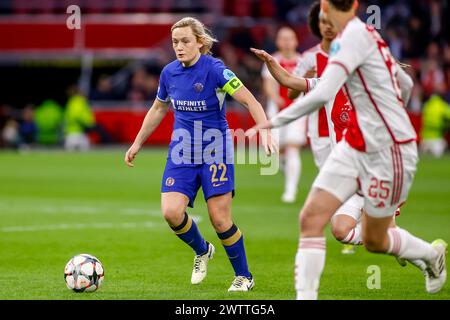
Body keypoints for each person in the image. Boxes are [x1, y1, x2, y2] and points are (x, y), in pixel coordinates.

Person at [247, 0, 447, 299]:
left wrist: (273, 123)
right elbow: (402, 83)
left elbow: (326, 91)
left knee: (377, 240)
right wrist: (274, 67)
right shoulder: (357, 44)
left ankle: (431, 256)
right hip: (353, 149)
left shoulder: (353, 38)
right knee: (315, 220)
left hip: (383, 152)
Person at [124, 17, 276, 292]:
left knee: (220, 219)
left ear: (200, 42)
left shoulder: (216, 70)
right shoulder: (169, 73)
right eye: (175, 42)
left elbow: (250, 100)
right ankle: (202, 250)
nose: (179, 47)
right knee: (171, 213)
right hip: (181, 152)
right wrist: (137, 143)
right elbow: (158, 108)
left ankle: (244, 276)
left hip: (215, 151)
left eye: (185, 41)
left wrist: (264, 130)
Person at [261, 26, 307, 203]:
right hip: (276, 111)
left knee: (293, 147)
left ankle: (290, 191)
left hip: (298, 110)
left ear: (296, 41)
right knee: (275, 152)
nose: (287, 42)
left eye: (290, 38)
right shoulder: (273, 60)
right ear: (278, 41)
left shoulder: (304, 61)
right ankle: (288, 171)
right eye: (283, 38)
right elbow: (268, 83)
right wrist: (275, 97)